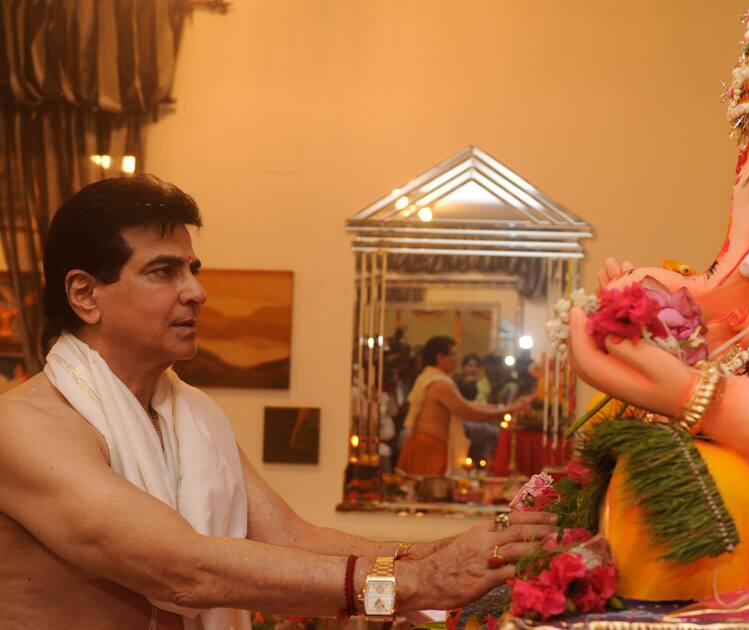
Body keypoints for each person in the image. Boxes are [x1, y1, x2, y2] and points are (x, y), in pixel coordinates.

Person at [0, 176, 555, 629]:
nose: (196, 291)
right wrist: (413, 584)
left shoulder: (191, 413)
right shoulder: (26, 426)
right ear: (84, 295)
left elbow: (294, 538)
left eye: (192, 270)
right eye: (163, 271)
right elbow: (180, 568)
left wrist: (454, 552)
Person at [397, 337, 530, 475]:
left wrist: (504, 407)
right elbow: (469, 412)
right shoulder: (439, 384)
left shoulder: (432, 378)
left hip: (428, 446)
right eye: (453, 354)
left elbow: (468, 405)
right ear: (440, 357)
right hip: (428, 449)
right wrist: (513, 408)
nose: (456, 359)